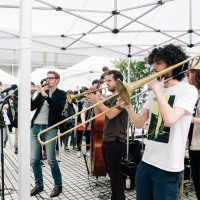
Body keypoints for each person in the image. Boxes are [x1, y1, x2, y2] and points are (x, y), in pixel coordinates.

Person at [117, 44, 198, 200]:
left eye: (158, 62)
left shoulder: (188, 90)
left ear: (172, 63)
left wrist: (159, 91)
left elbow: (170, 120)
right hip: (146, 162)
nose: (153, 67)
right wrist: (128, 107)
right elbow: (140, 123)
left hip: (168, 167)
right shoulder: (155, 91)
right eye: (153, 62)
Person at [87, 70, 128, 200]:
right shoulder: (110, 97)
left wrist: (98, 100)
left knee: (115, 174)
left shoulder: (122, 96)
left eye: (109, 80)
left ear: (118, 81)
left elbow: (111, 114)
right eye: (106, 81)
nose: (107, 84)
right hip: (107, 139)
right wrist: (95, 100)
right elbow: (99, 113)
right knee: (111, 173)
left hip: (116, 140)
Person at [30, 71, 65, 197]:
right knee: (34, 159)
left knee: (51, 159)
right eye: (47, 78)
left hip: (50, 128)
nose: (48, 80)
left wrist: (45, 95)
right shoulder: (42, 92)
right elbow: (32, 107)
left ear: (57, 80)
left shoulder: (61, 94)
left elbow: (58, 108)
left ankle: (58, 185)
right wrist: (31, 95)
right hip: (35, 127)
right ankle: (38, 185)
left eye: (51, 78)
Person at [187, 68, 200, 200]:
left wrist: (186, 119)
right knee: (196, 181)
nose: (188, 79)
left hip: (199, 145)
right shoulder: (194, 95)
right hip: (193, 145)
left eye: (190, 76)